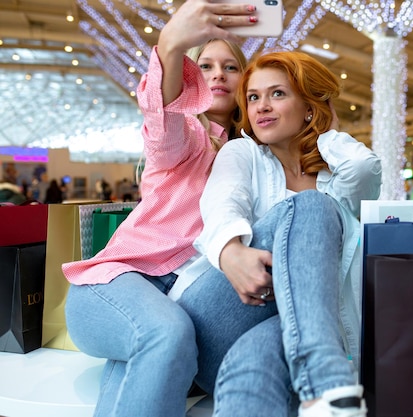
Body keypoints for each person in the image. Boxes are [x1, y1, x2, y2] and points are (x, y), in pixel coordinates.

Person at [60, 1, 259, 416]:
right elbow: (162, 116)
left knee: (156, 341)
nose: (218, 74)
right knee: (165, 334)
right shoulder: (185, 136)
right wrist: (171, 46)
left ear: (246, 83)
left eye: (231, 67)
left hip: (180, 298)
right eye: (205, 66)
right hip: (116, 281)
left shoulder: (255, 158)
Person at [174, 51, 382, 416]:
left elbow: (365, 167)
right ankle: (328, 383)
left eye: (278, 94)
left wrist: (327, 133)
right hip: (216, 317)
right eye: (253, 97)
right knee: (312, 205)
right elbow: (223, 204)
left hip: (282, 332)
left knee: (257, 358)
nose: (262, 107)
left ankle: (327, 402)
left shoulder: (337, 178)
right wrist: (231, 252)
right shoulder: (242, 153)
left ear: (309, 106)